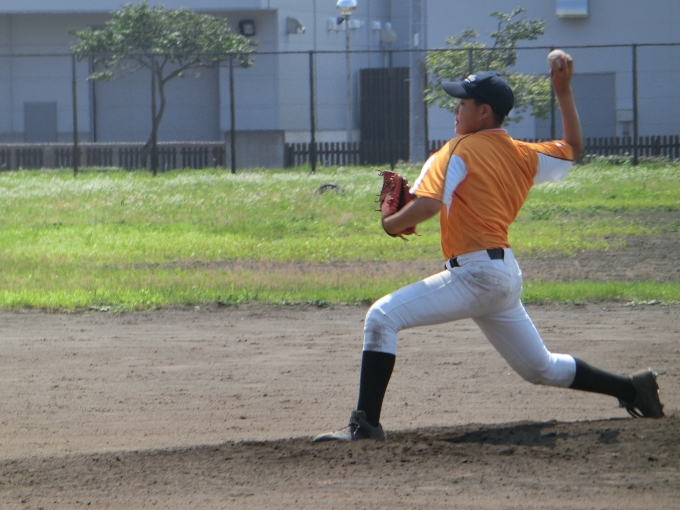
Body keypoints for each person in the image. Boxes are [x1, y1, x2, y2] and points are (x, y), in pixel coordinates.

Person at [313, 53, 664, 443]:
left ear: (483, 112)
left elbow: (429, 205)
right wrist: (563, 92)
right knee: (541, 368)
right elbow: (573, 147)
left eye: (462, 103)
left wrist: (389, 224)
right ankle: (632, 388)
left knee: (381, 317)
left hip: (477, 275)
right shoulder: (523, 154)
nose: (455, 109)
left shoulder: (456, 149)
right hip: (502, 275)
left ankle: (364, 426)